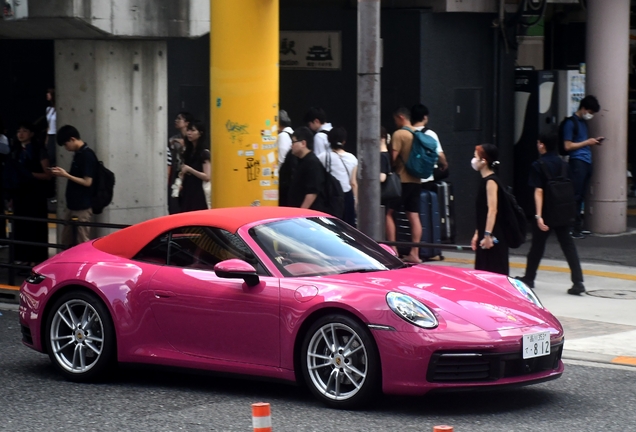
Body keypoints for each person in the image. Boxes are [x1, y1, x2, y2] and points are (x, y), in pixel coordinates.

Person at [516, 133, 585, 295]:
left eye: (538, 143)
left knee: (537, 247)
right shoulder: (563, 164)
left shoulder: (538, 165)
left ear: (542, 145)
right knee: (568, 246)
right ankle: (578, 281)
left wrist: (538, 216)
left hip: (547, 212)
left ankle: (529, 277)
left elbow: (538, 191)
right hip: (563, 210)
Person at [9, 121, 51, 266]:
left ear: (32, 133)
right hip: (19, 194)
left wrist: (29, 174)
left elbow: (47, 174)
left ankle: (36, 259)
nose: (21, 134)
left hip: (35, 194)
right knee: (20, 226)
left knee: (35, 227)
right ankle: (22, 258)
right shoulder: (15, 151)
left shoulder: (39, 150)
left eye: (24, 130)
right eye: (18, 131)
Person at [385, 106, 422, 263]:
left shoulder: (400, 134)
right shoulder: (419, 133)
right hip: (417, 180)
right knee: (413, 215)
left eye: (395, 119)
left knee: (388, 213)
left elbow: (393, 158)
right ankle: (415, 253)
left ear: (400, 117)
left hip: (402, 180)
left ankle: (393, 251)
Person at [51, 125, 98, 247]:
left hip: (82, 206)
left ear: (72, 139)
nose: (66, 148)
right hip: (73, 205)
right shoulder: (78, 154)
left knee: (81, 241)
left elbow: (88, 182)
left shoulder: (87, 155)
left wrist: (66, 175)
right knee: (66, 241)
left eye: (66, 144)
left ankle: (81, 266)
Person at [563, 95, 602, 238]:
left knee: (582, 196)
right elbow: (567, 146)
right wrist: (588, 143)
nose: (590, 115)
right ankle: (572, 228)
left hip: (585, 162)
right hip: (577, 162)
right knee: (576, 195)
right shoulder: (570, 123)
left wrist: (592, 142)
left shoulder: (582, 123)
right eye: (590, 112)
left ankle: (578, 227)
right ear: (583, 108)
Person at [471, 144, 509, 276]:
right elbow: (482, 212)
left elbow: (492, 210)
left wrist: (487, 235)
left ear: (484, 161)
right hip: (486, 235)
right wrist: (478, 233)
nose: (473, 160)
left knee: (493, 274)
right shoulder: (485, 181)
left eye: (475, 157)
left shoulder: (491, 181)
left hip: (493, 237)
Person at [318, 127, 358, 226]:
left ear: (329, 140)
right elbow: (353, 183)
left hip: (331, 197)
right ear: (344, 141)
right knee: (348, 228)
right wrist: (355, 200)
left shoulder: (323, 157)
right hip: (347, 197)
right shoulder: (352, 158)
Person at [409, 104, 448, 189]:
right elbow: (440, 155)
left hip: (409, 178)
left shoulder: (407, 133)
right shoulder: (430, 134)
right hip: (426, 177)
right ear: (425, 117)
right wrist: (444, 164)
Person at [287, 126, 326, 211]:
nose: (291, 146)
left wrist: (301, 212)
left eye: (293, 142)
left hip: (307, 217)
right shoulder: (301, 161)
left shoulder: (312, 163)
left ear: (303, 143)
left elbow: (312, 192)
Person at [179, 121, 211, 212]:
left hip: (198, 192)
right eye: (188, 130)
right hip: (187, 190)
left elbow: (207, 177)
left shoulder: (204, 153)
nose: (189, 133)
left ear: (200, 133)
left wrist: (190, 169)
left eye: (193, 130)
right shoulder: (188, 152)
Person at [168, 111, 194, 214]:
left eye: (179, 119)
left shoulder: (191, 137)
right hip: (177, 172)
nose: (176, 121)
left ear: (187, 123)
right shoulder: (174, 138)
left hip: (190, 172)